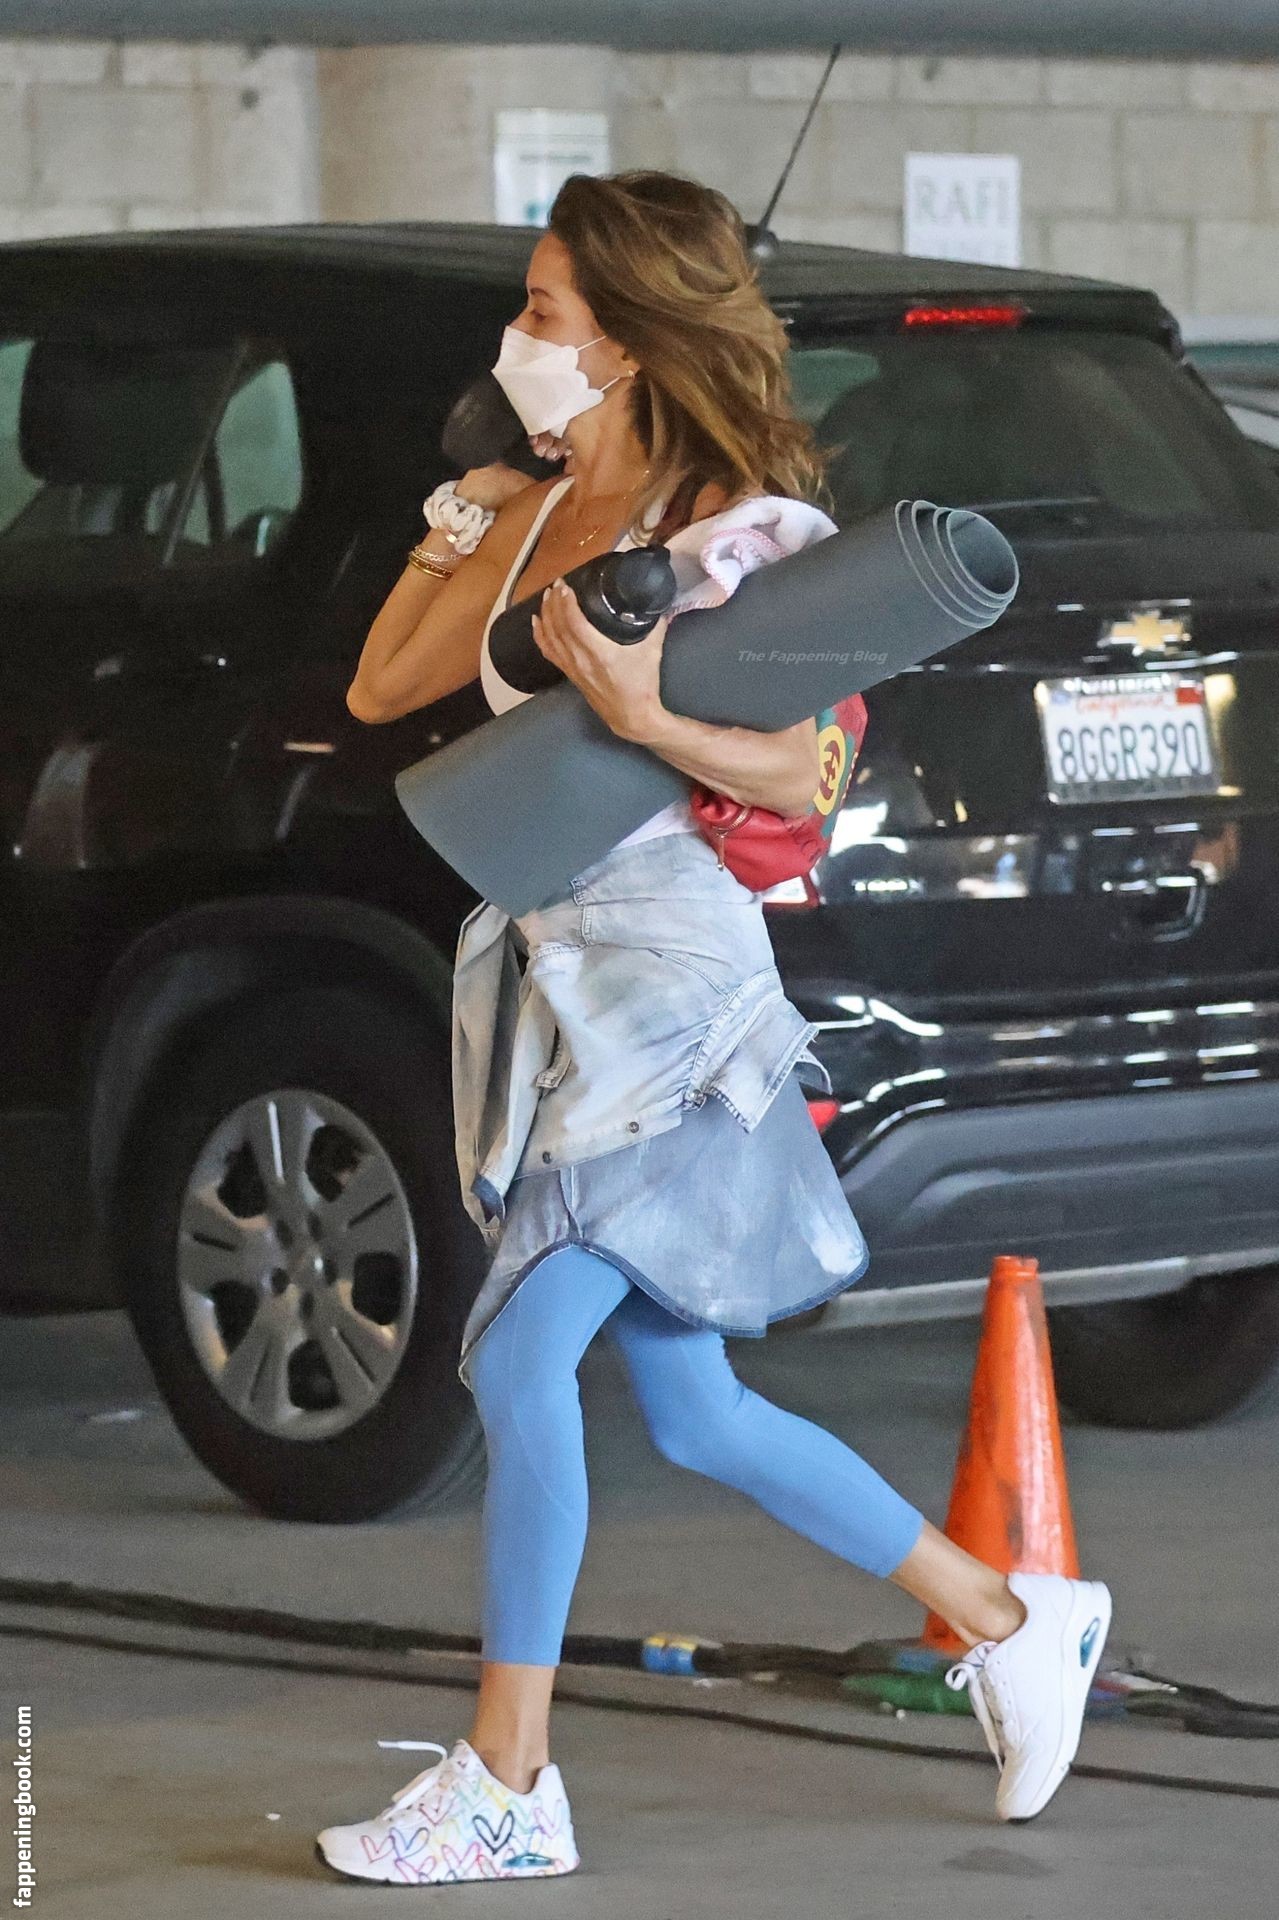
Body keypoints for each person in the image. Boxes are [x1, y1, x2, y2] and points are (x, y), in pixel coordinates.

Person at [318, 170, 1111, 1888]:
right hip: (560, 986)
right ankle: (1009, 1616)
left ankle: (509, 1779)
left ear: (626, 338)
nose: (519, 337)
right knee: (693, 1413)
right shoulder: (537, 506)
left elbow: (805, 777)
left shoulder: (727, 528)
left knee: (524, 1361)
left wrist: (640, 703)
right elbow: (383, 687)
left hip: (675, 998)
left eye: (544, 313)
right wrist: (462, 517)